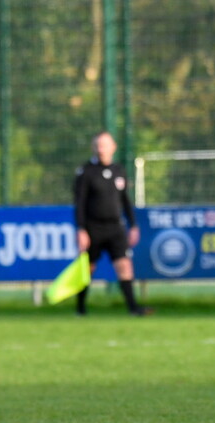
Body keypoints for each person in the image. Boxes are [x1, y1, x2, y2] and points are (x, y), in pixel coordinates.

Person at [73, 131, 152, 316]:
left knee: (124, 266)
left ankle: (133, 308)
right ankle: (80, 309)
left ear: (113, 147)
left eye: (104, 145)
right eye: (98, 145)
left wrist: (133, 225)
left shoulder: (119, 170)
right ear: (93, 148)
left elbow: (125, 201)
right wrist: (81, 229)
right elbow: (80, 203)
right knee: (87, 269)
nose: (101, 149)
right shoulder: (85, 172)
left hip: (116, 228)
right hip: (93, 228)